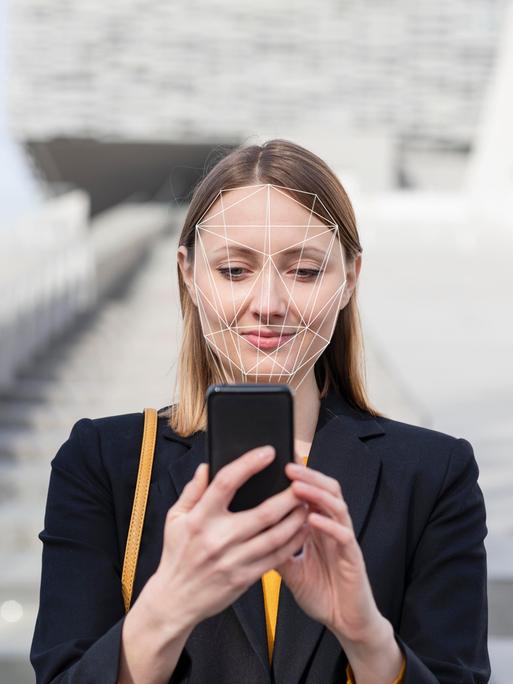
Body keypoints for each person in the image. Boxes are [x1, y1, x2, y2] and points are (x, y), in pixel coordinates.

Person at [30, 139, 490, 684]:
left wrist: (368, 638)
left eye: (304, 271)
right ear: (188, 274)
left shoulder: (433, 476)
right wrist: (169, 604)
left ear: (350, 279)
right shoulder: (104, 464)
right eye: (233, 270)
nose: (268, 303)